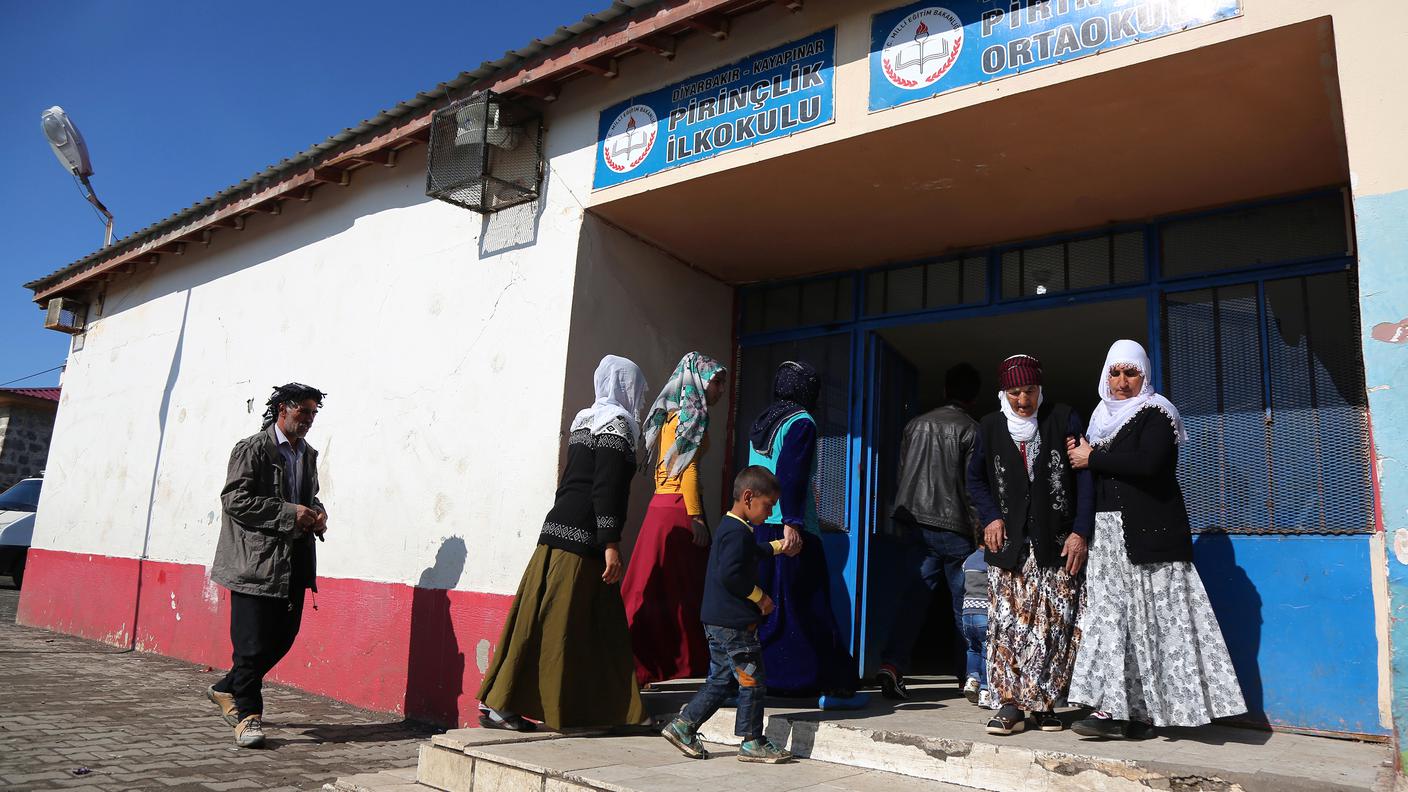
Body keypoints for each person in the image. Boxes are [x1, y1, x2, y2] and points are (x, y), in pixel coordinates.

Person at [1065, 340, 1245, 739]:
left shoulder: (1157, 413)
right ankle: (1114, 709)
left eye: (1132, 373)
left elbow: (1150, 463)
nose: (1122, 381)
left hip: (1148, 537)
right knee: (1114, 623)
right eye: (1115, 372)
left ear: (1144, 376)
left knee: (1154, 625)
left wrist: (1093, 458)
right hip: (1107, 538)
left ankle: (1149, 714)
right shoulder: (1098, 420)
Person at [476, 355, 649, 731]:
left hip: (556, 531)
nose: (641, 397)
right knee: (561, 625)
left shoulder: (586, 420)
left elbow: (572, 480)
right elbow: (606, 488)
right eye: (637, 387)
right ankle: (503, 703)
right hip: (583, 539)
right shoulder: (617, 425)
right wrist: (610, 542)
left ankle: (606, 709)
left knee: (556, 621)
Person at [966, 355, 1092, 736]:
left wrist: (1080, 531)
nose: (1024, 400)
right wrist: (990, 516)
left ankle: (1046, 704)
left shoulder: (1064, 418)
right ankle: (1009, 705)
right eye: (1015, 392)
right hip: (1010, 547)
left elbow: (1084, 478)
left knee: (1055, 627)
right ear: (1004, 393)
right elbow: (975, 480)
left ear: (1041, 389)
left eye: (1030, 391)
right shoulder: (989, 427)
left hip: (1057, 543)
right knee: (1009, 628)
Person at [207, 383, 329, 749]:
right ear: (281, 409)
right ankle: (247, 717)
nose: (308, 420)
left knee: (282, 640)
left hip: (294, 563)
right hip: (254, 563)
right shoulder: (252, 449)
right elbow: (235, 500)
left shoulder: (307, 454)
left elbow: (310, 497)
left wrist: (319, 515)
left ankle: (226, 688)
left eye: (312, 413)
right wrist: (290, 513)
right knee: (250, 644)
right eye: (302, 412)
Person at [660, 466, 800, 764]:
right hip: (734, 624)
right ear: (748, 497)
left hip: (717, 621)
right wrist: (761, 598)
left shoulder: (733, 527)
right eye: (768, 506)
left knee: (722, 680)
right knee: (752, 680)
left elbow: (748, 554)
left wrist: (777, 547)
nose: (769, 512)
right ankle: (752, 741)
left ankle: (684, 726)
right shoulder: (738, 532)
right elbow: (732, 576)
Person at [748, 361, 859, 700]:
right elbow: (791, 474)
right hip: (791, 529)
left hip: (760, 527)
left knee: (768, 604)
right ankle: (807, 678)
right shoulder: (801, 421)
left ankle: (766, 675)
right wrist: (793, 523)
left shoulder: (763, 422)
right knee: (807, 603)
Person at [622, 352, 729, 686]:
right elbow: (688, 468)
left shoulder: (671, 412)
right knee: (682, 592)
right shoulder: (693, 414)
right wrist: (697, 518)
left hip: (660, 507)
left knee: (650, 588)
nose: (720, 389)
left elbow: (664, 467)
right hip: (678, 510)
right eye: (716, 381)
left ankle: (635, 657)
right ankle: (677, 659)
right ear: (699, 380)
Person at [877, 363, 983, 700]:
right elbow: (972, 489)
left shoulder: (915, 425)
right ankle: (969, 675)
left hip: (917, 527)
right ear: (975, 397)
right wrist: (981, 532)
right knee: (965, 606)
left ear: (944, 391)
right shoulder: (973, 430)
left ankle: (892, 664)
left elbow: (903, 474)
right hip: (956, 531)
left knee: (912, 602)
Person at [959, 545, 993, 709]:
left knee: (973, 648)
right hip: (984, 613)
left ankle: (972, 680)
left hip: (967, 614)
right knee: (988, 651)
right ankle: (986, 691)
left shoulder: (969, 559)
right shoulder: (992, 560)